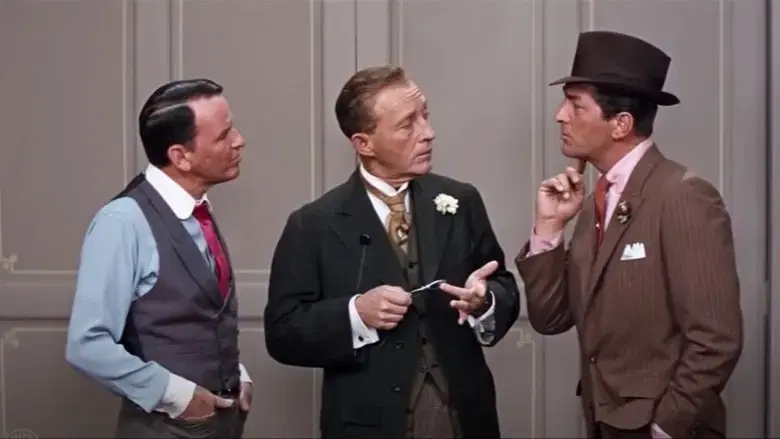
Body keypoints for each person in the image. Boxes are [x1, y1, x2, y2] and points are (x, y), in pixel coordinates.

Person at [263, 65, 520, 438]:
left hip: (463, 417)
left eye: (425, 116)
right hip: (368, 424)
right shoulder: (313, 224)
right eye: (407, 125)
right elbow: (282, 333)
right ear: (364, 143)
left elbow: (503, 285)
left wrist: (485, 301)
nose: (428, 133)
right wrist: (356, 314)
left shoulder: (461, 200)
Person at [514, 31, 743, 439]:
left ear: (620, 123)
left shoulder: (684, 196)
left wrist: (664, 427)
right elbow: (551, 318)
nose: (560, 116)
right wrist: (549, 229)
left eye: (575, 105)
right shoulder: (595, 202)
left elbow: (715, 341)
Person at [65, 78, 253, 438]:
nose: (239, 140)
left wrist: (235, 374)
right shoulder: (122, 222)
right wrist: (180, 398)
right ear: (180, 156)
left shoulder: (198, 210)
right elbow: (87, 344)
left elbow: (200, 315)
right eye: (223, 135)